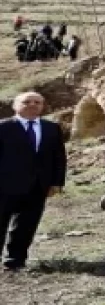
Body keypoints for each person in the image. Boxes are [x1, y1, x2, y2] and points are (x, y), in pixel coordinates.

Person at [0, 92, 67, 271]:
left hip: (38, 186)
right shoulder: (4, 127)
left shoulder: (51, 128)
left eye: (37, 102)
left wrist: (56, 182)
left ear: (42, 106)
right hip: (5, 185)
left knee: (26, 226)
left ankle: (15, 261)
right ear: (15, 106)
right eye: (26, 102)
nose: (32, 105)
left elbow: (59, 157)